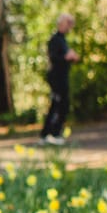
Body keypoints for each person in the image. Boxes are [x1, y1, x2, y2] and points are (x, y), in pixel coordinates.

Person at [40, 12, 79, 146]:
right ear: (61, 23)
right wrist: (66, 58)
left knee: (63, 105)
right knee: (57, 105)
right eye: (68, 23)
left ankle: (53, 133)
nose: (70, 27)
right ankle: (50, 133)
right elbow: (53, 58)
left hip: (62, 77)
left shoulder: (63, 40)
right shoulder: (55, 39)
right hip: (56, 78)